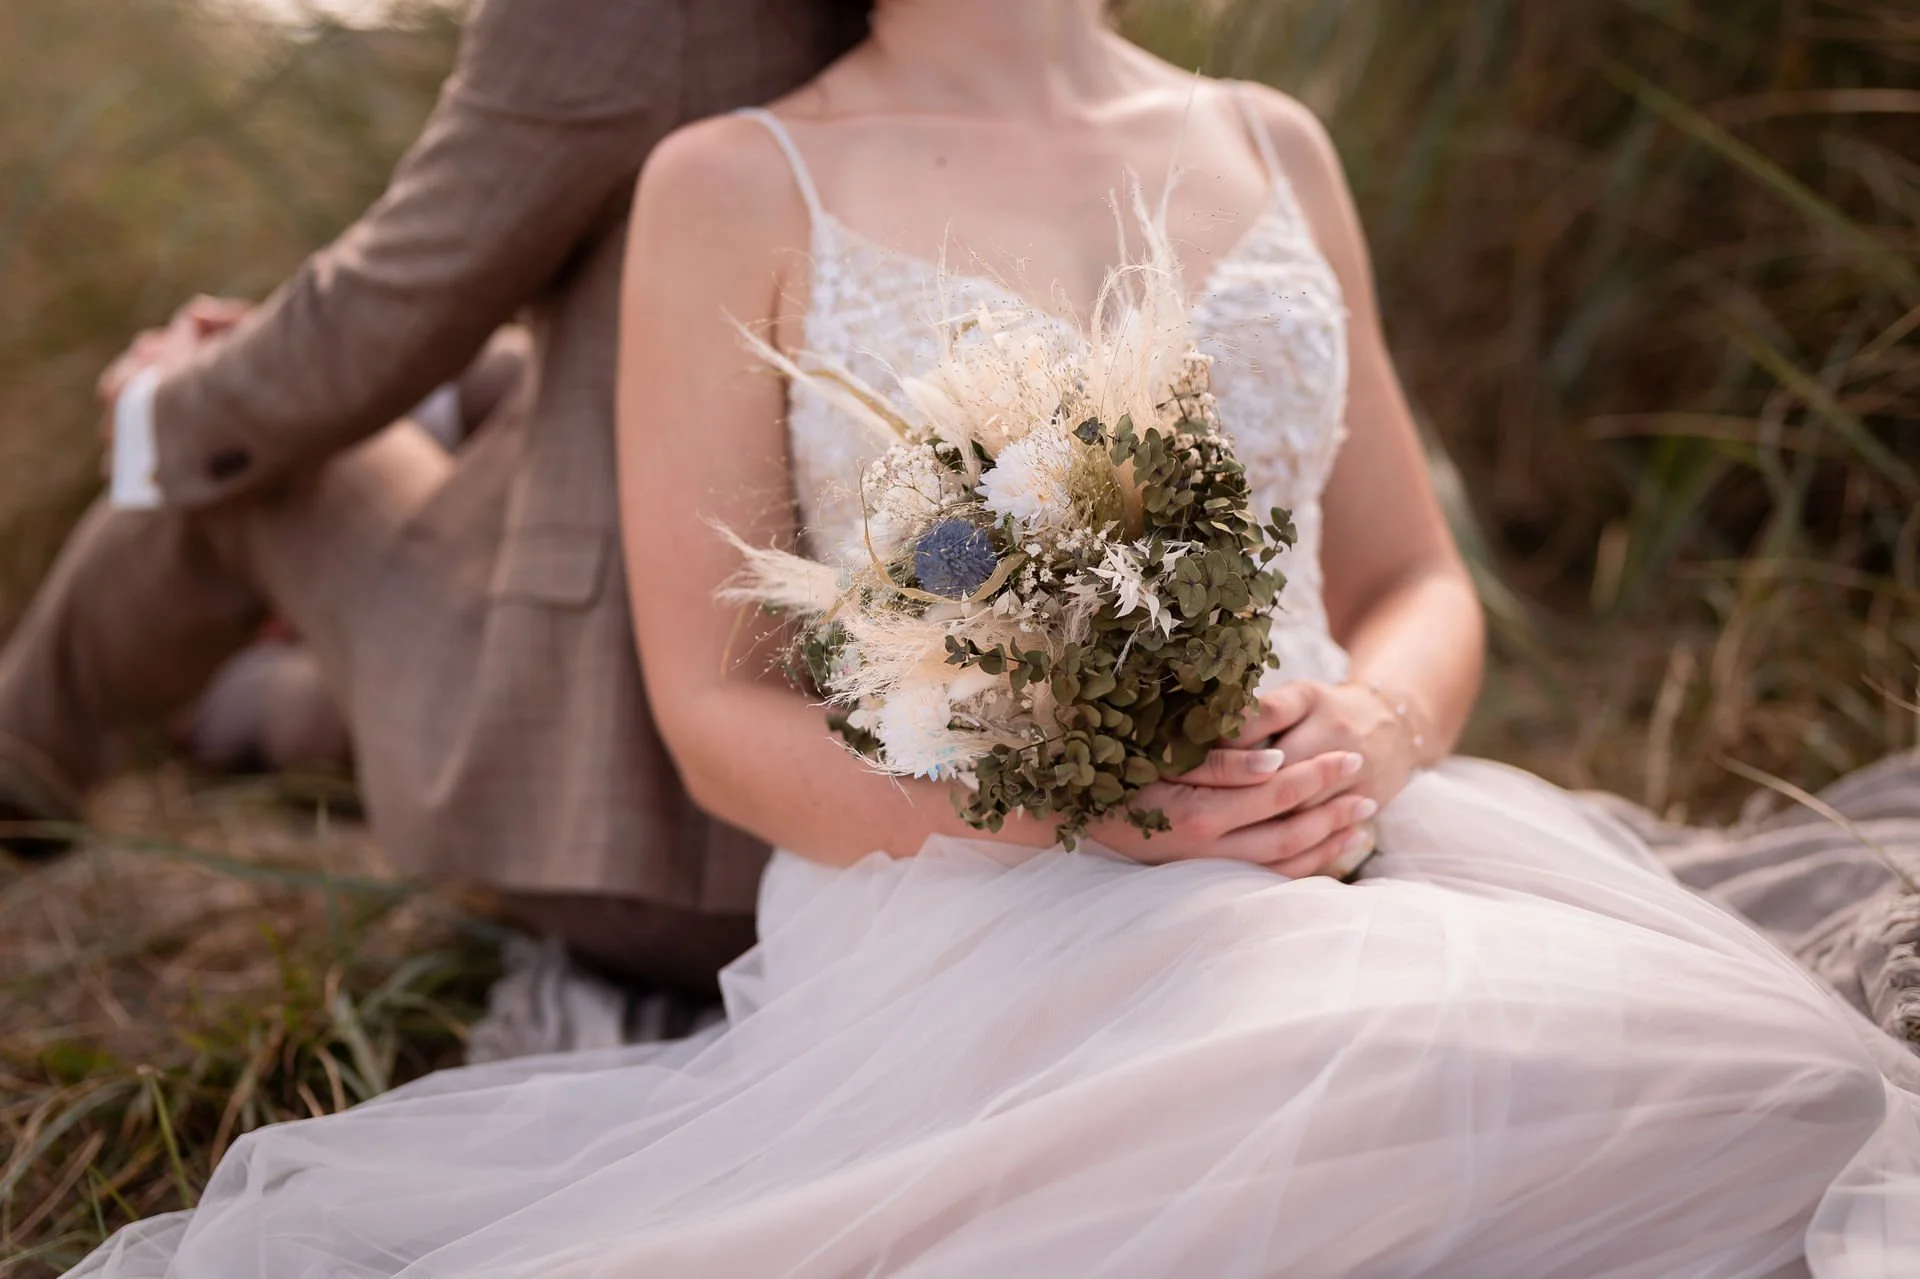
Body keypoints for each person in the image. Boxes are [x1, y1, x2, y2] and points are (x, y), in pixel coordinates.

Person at [67, 2, 1920, 1275]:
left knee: (1786, 1090)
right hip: (975, 880)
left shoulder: (1269, 137)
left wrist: (1376, 730)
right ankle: (135, 712)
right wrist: (1059, 801)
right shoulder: (730, 179)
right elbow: (714, 710)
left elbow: (1413, 580)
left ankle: (257, 699)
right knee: (1299, 1102)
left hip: (1333, 834)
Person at [0, 0, 868, 993]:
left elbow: (400, 299)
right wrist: (430, 388)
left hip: (642, 838)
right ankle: (243, 711)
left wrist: (165, 402)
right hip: (889, 833)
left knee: (248, 473)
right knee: (352, 447)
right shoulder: (991, 56)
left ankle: (17, 772)